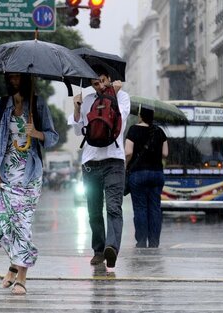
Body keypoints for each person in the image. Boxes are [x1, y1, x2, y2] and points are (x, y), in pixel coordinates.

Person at [0, 73, 59, 295]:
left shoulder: (37, 104)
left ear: (26, 79)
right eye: (11, 77)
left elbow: (53, 136)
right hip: (5, 174)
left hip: (29, 176)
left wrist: (36, 133)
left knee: (22, 226)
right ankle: (13, 263)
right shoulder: (1, 104)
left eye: (18, 77)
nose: (14, 80)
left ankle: (21, 277)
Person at [68, 65, 130, 273]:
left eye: (103, 80)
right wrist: (77, 109)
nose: (100, 85)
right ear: (91, 85)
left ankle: (112, 247)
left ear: (109, 79)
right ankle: (99, 249)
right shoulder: (86, 101)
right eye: (95, 83)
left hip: (114, 160)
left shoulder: (122, 97)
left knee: (113, 207)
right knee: (94, 211)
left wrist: (113, 92)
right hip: (90, 162)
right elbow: (78, 131)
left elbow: (121, 116)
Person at [125, 106, 168, 248]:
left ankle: (142, 241)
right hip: (156, 174)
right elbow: (165, 154)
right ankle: (154, 242)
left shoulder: (133, 130)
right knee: (155, 208)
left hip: (138, 174)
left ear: (140, 115)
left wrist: (126, 166)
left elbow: (128, 152)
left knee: (140, 208)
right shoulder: (159, 131)